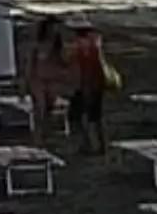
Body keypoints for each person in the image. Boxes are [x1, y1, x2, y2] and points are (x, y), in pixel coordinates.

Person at [22, 15, 71, 146]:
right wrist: (25, 82)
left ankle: (44, 133)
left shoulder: (58, 46)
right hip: (37, 80)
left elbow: (65, 63)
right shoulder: (37, 45)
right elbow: (30, 64)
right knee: (40, 107)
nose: (55, 30)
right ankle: (37, 136)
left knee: (49, 108)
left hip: (53, 80)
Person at [68, 17, 110, 154]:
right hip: (98, 82)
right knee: (96, 116)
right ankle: (103, 144)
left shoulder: (78, 45)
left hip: (84, 84)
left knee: (79, 116)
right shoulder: (96, 41)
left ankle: (88, 144)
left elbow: (78, 67)